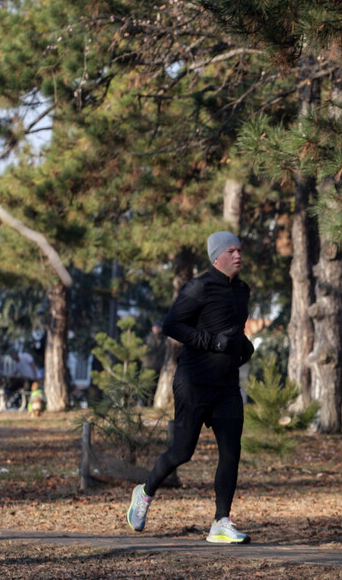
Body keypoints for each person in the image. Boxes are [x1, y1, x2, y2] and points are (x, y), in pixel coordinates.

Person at [126, 231, 255, 544]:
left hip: (226, 386)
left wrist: (243, 346)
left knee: (231, 452)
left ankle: (220, 522)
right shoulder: (198, 287)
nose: (238, 255)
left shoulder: (241, 291)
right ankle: (144, 492)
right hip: (194, 382)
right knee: (182, 451)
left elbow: (230, 329)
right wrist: (212, 342)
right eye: (231, 251)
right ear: (216, 257)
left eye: (240, 250)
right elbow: (172, 325)